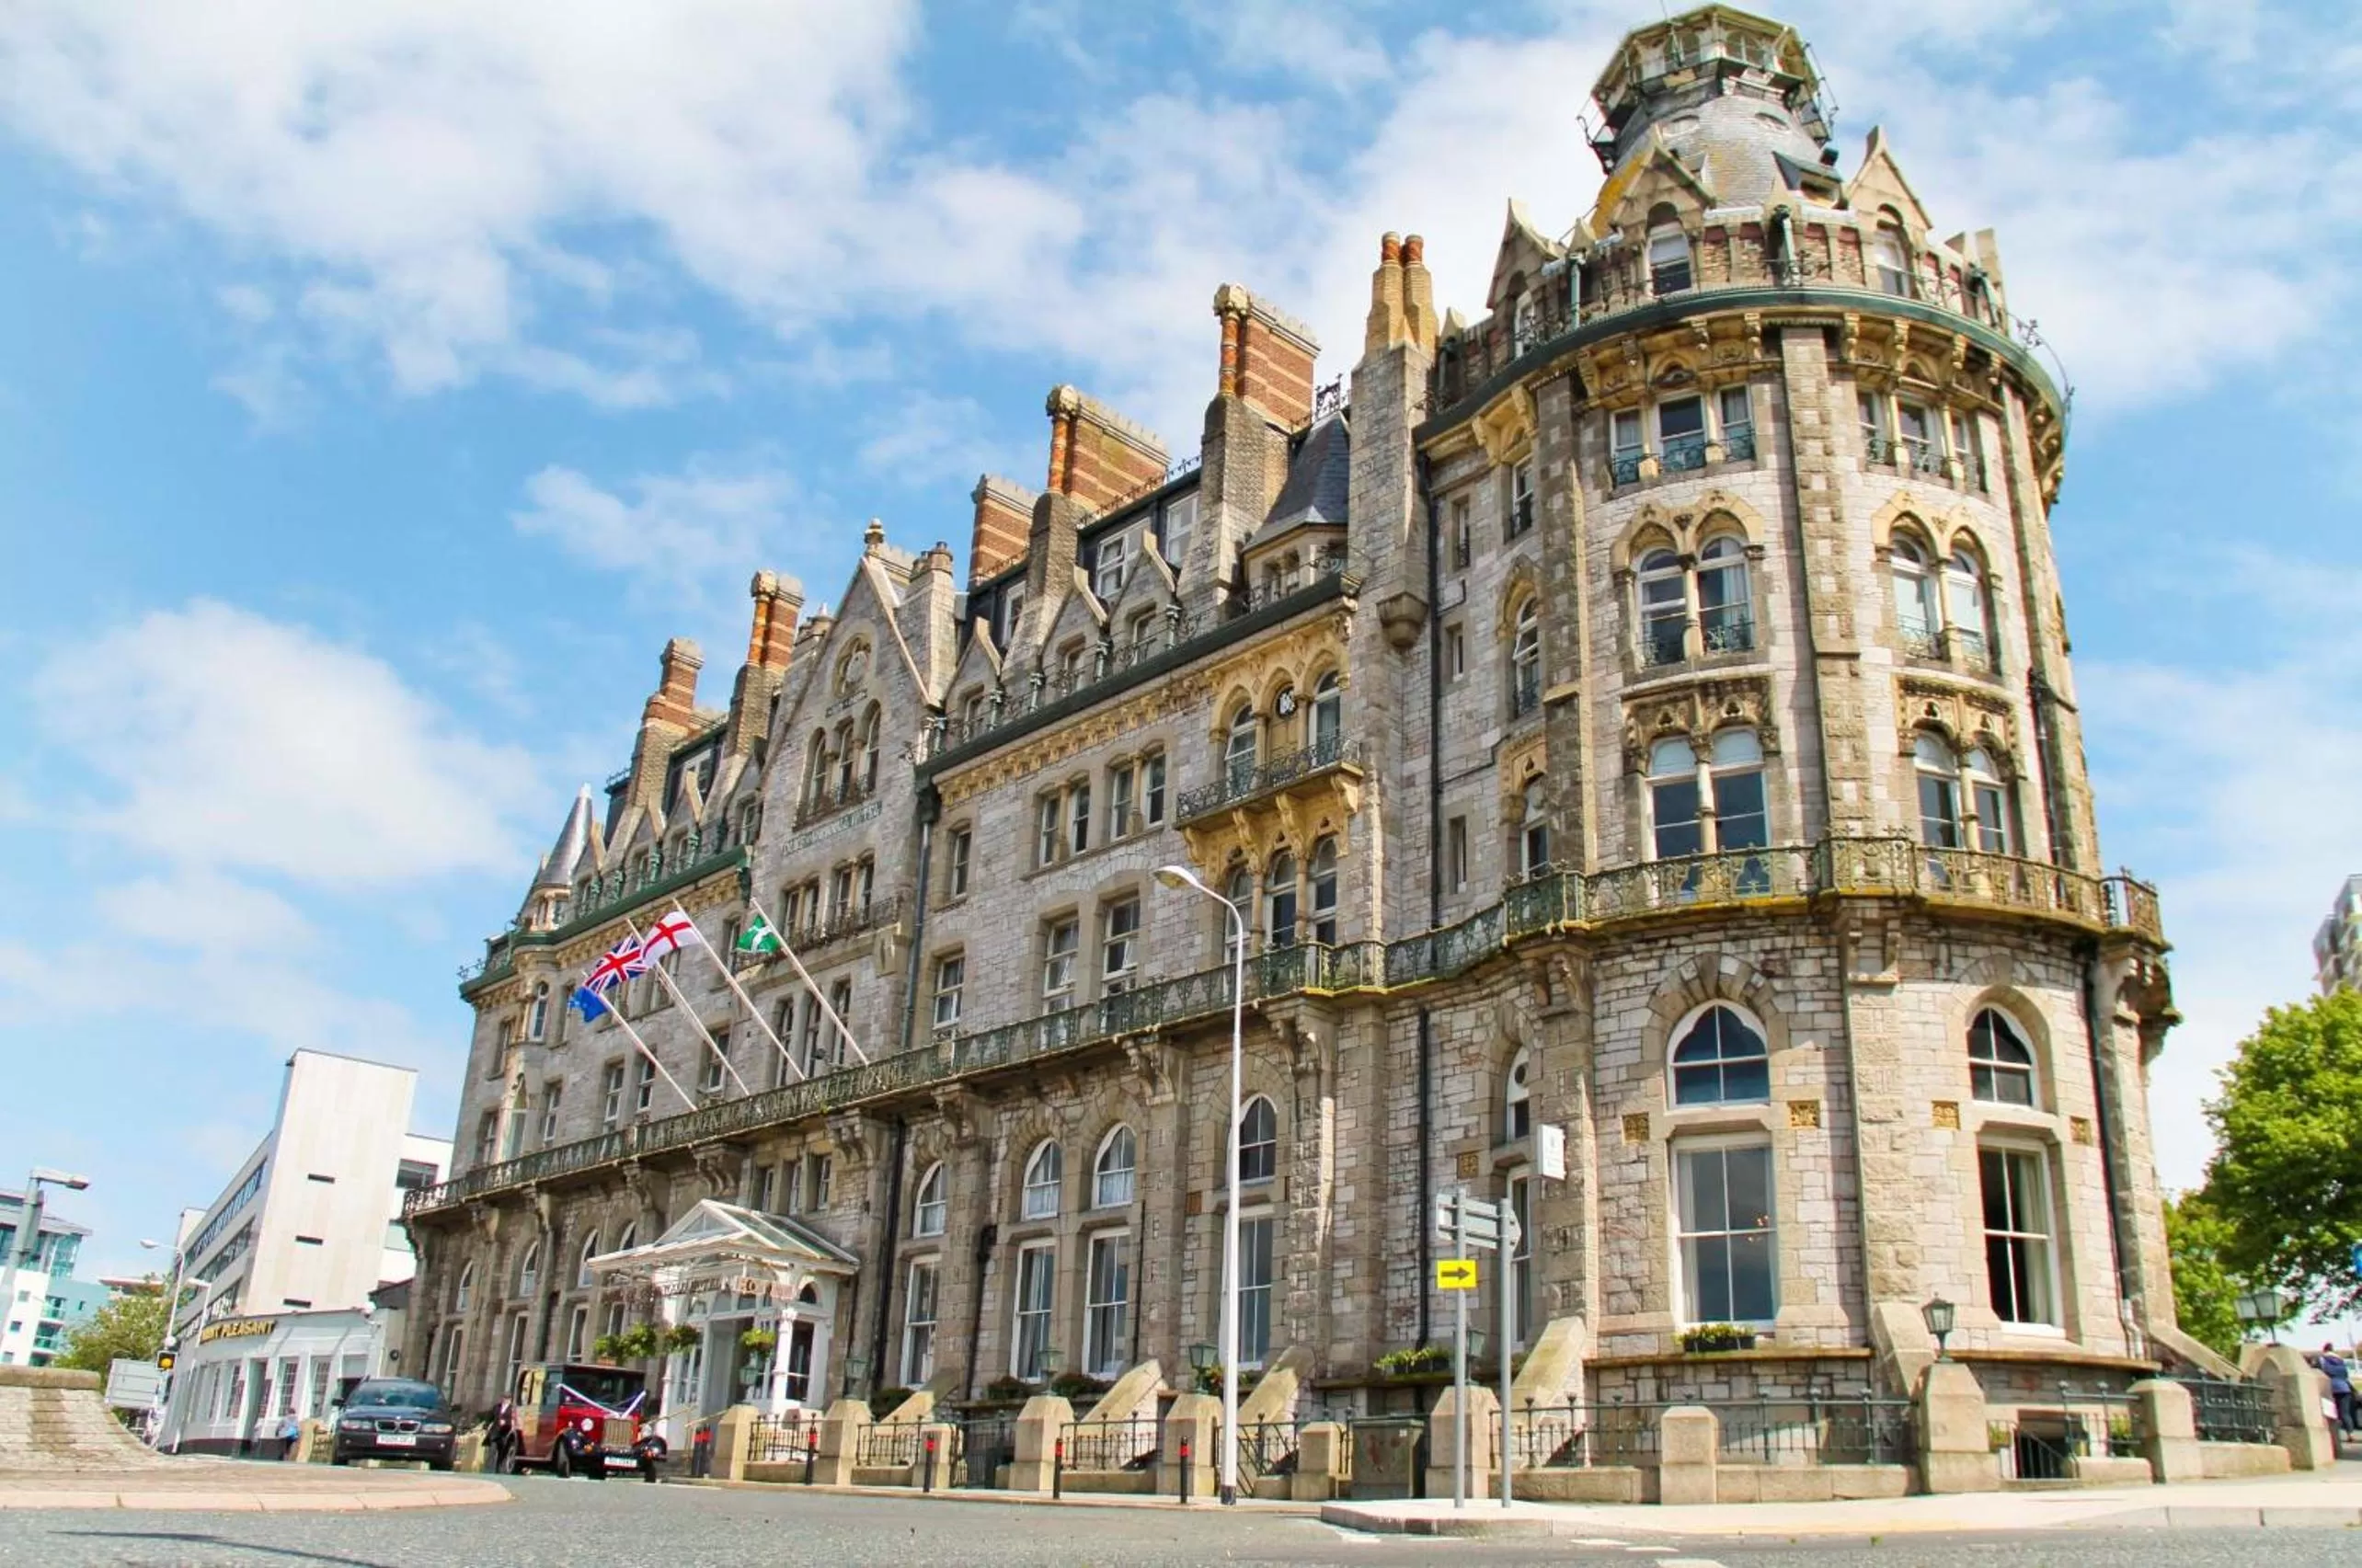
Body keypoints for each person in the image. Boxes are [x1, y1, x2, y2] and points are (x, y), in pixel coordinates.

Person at [2324, 1344, 2355, 1437]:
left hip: (2330, 1389)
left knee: (2331, 1412)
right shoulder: (2341, 1362)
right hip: (2345, 1389)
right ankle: (2350, 1434)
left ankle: (2333, 1435)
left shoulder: (2322, 1360)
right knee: (2345, 1413)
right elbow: (2346, 1376)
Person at [488, 1396, 520, 1472]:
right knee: (492, 1449)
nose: (506, 1400)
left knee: (502, 1451)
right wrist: (487, 1425)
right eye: (504, 1398)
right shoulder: (496, 1407)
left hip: (505, 1432)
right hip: (495, 1431)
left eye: (507, 1398)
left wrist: (507, 1423)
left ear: (510, 1400)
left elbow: (514, 1419)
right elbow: (490, 1417)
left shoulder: (513, 1409)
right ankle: (491, 1468)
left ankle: (499, 1468)